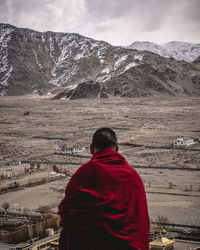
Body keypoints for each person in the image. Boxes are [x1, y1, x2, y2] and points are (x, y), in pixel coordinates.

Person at [58, 127, 149, 250]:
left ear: (91, 149)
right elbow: (140, 223)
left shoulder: (83, 174)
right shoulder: (132, 176)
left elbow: (68, 218)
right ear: (117, 149)